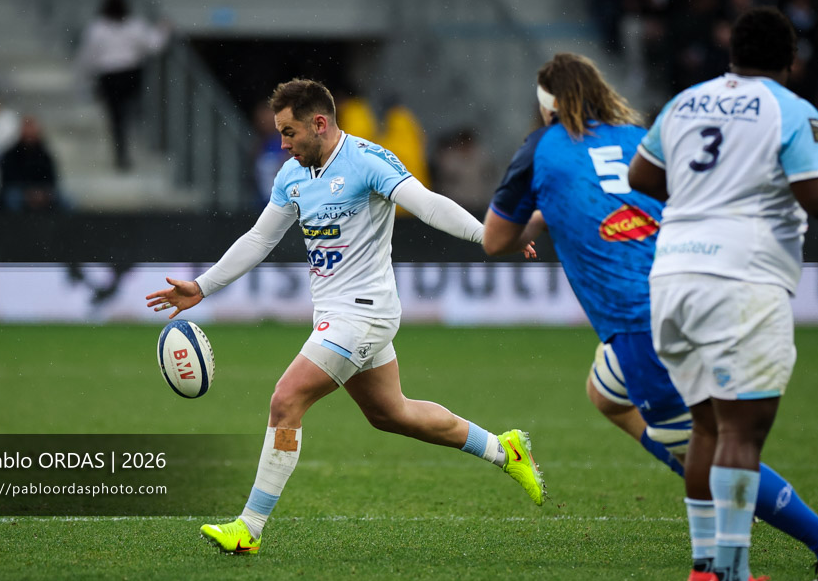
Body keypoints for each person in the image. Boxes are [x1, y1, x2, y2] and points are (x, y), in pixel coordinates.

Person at [482, 52, 818, 581]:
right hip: (691, 288)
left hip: (642, 321)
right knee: (607, 394)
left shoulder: (541, 147)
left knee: (716, 446)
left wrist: (540, 215)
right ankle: (709, 526)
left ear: (548, 107)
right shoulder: (639, 137)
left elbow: (495, 240)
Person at [146, 78, 546, 554]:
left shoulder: (367, 161)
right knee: (391, 413)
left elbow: (427, 204)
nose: (283, 143)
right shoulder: (291, 175)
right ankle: (504, 449)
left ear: (319, 123)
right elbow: (259, 239)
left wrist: (488, 235)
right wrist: (202, 286)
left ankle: (248, 529)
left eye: (289, 132)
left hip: (365, 313)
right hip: (335, 314)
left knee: (285, 400)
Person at [628, 7, 818, 581]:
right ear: (792, 60)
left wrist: (705, 194)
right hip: (740, 279)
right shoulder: (791, 110)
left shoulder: (686, 102)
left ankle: (705, 572)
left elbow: (641, 175)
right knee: (741, 431)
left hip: (672, 276)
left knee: (705, 425)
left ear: (731, 52)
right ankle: (733, 579)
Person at [75, 0, 169, 171]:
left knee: (116, 117)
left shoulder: (97, 28)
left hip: (109, 76)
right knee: (128, 113)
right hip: (130, 74)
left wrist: (86, 78)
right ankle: (128, 147)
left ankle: (122, 152)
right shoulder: (134, 25)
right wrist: (163, 28)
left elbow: (88, 57)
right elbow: (154, 45)